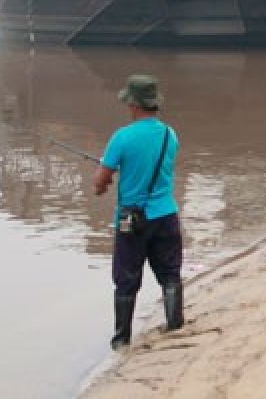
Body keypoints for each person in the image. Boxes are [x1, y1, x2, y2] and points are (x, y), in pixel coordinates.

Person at [93, 74, 184, 350]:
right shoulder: (171, 135)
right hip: (166, 214)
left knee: (126, 278)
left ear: (133, 104)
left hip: (131, 219)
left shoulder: (122, 137)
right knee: (169, 272)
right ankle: (175, 322)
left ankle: (122, 339)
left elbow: (100, 181)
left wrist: (103, 183)